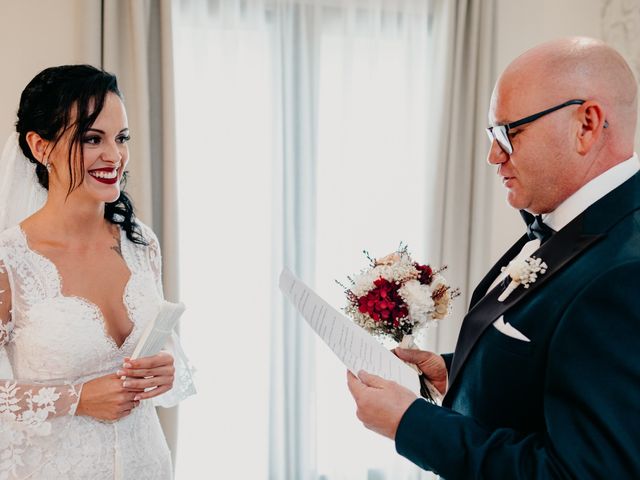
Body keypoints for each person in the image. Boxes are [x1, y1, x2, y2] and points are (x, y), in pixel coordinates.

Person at [347, 37, 640, 479]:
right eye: (491, 135)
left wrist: (411, 423)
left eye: (509, 132)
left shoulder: (625, 271)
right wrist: (455, 374)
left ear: (587, 124)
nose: (493, 156)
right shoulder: (565, 223)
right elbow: (555, 369)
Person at [0, 65, 195, 479]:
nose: (114, 156)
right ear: (40, 146)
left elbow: (162, 346)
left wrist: (165, 366)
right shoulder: (9, 261)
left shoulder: (141, 242)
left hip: (148, 465)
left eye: (121, 138)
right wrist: (77, 398)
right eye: (92, 139)